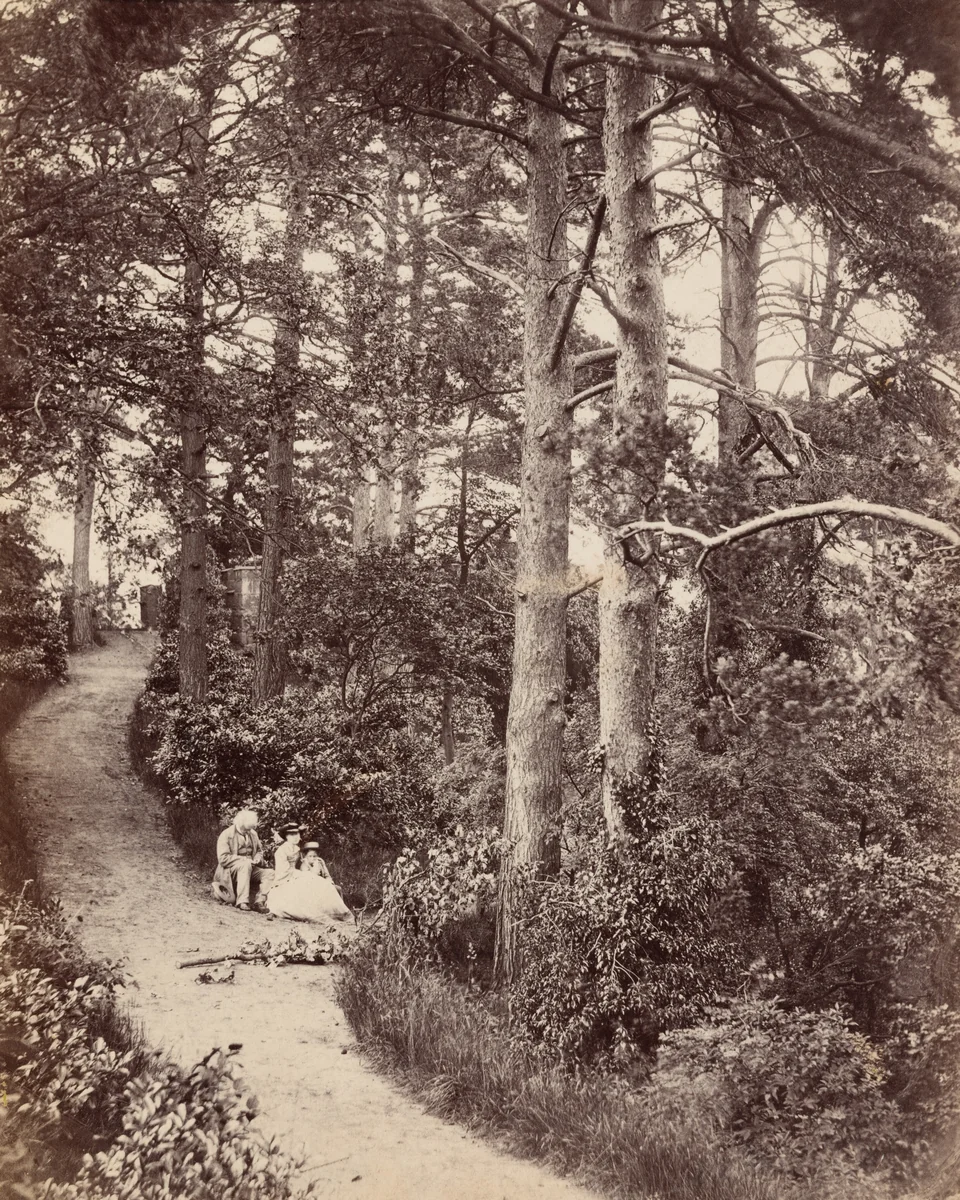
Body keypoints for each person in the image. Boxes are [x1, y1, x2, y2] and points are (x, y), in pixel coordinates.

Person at [267, 831, 353, 925]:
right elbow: (283, 871)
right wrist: (303, 874)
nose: (295, 837)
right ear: (286, 837)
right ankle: (316, 914)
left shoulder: (297, 849)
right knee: (306, 887)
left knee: (321, 883)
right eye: (292, 835)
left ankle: (339, 913)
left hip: (296, 876)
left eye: (297, 834)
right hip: (284, 880)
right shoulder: (281, 851)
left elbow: (324, 874)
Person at [212, 809, 271, 911]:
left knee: (270, 873)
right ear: (239, 824)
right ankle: (242, 901)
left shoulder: (253, 833)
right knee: (245, 865)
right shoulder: (226, 835)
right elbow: (223, 858)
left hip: (250, 868)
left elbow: (259, 851)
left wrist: (257, 858)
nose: (248, 832)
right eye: (245, 830)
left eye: (250, 829)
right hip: (230, 871)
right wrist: (244, 860)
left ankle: (259, 901)